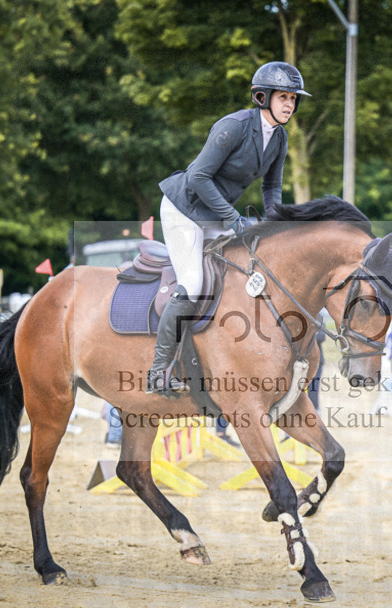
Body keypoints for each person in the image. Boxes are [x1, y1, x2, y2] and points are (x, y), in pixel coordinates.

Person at [146, 62, 311, 395]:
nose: (289, 105)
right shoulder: (233, 127)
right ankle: (158, 371)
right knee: (193, 284)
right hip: (186, 210)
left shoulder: (279, 137)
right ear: (263, 97)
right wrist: (233, 218)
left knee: (239, 276)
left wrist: (276, 225)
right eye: (283, 97)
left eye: (293, 99)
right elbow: (198, 177)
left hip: (216, 216)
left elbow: (272, 186)